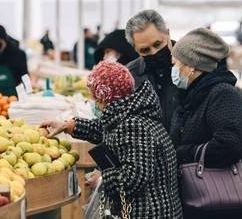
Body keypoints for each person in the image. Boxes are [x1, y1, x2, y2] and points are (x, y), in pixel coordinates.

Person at [40, 61, 182, 218]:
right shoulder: (127, 114)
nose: (94, 103)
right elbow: (106, 131)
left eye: (95, 98)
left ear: (104, 98)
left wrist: (102, 179)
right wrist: (68, 125)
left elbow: (134, 177)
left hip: (149, 212)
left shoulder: (133, 125)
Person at [170, 28, 242, 218]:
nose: (173, 69)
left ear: (191, 67)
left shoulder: (222, 94)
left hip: (224, 203)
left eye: (176, 64)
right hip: (200, 200)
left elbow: (230, 143)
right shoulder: (191, 96)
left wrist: (183, 153)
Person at [125, 10, 177, 131]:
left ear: (168, 34)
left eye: (157, 44)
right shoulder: (130, 76)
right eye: (145, 50)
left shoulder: (193, 65)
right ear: (136, 50)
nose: (154, 52)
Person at [0, 25, 28, 96]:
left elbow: (24, 75)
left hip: (13, 95)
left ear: (1, 38)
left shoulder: (18, 54)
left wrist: (28, 90)